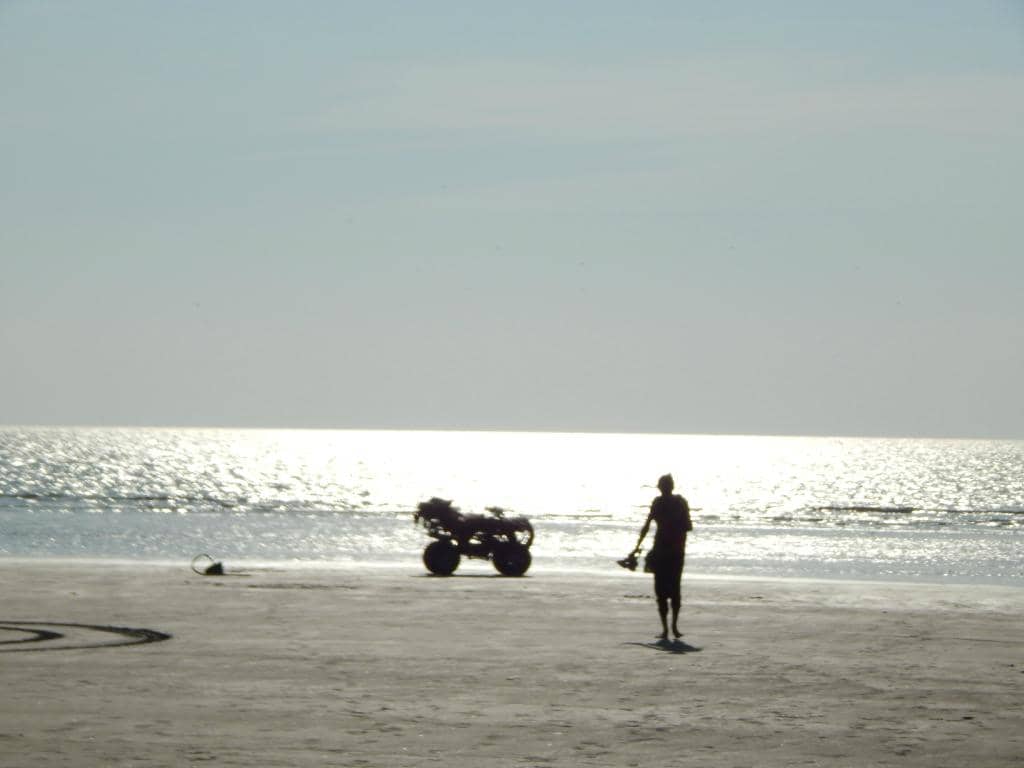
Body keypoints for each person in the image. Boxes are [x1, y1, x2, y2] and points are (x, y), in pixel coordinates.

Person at [631, 473, 692, 640]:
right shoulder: (680, 502)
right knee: (674, 589)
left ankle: (667, 628)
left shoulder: (658, 503)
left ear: (660, 487)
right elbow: (688, 527)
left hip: (662, 551)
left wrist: (636, 548)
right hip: (676, 552)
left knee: (661, 591)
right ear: (672, 486)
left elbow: (647, 526)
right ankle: (673, 627)